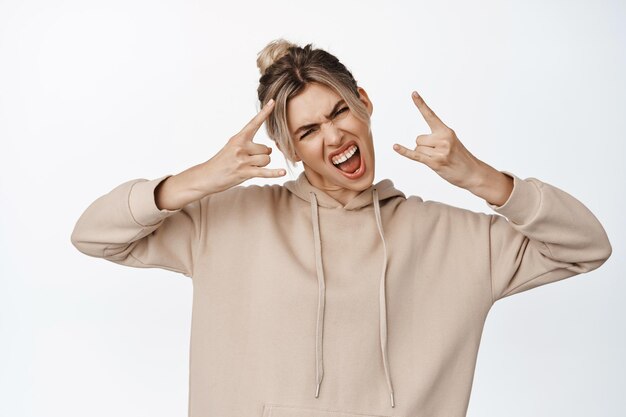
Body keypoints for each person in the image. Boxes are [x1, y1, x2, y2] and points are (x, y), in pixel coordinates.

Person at [70, 39, 612, 417]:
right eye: (308, 130)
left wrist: (481, 178)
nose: (333, 137)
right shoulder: (227, 222)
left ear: (365, 105)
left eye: (339, 112)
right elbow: (94, 235)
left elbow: (587, 247)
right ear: (290, 148)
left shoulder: (455, 239)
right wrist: (200, 179)